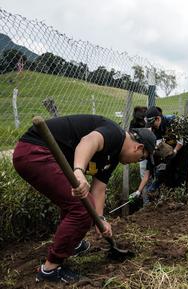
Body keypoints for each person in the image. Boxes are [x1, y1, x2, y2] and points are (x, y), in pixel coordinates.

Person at [12, 115, 157, 284]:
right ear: (138, 148)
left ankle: (72, 244)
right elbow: (89, 140)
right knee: (81, 207)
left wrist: (100, 220)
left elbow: (99, 188)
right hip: (35, 151)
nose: (136, 162)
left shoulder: (113, 156)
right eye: (141, 158)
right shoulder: (115, 134)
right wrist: (79, 170)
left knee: (80, 203)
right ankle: (50, 269)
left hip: (44, 155)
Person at [144, 106, 188, 190]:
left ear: (158, 119)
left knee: (182, 168)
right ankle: (171, 189)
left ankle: (181, 191)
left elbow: (181, 140)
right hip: (173, 141)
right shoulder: (155, 127)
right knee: (170, 166)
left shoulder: (173, 121)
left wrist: (175, 151)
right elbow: (158, 143)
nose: (152, 127)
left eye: (152, 124)